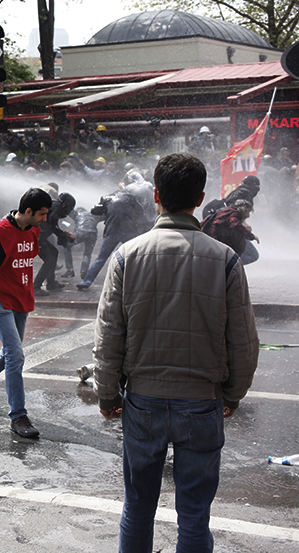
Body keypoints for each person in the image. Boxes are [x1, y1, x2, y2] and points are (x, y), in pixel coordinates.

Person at [92, 153, 259, 553]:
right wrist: (233, 394)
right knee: (195, 516)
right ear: (200, 198)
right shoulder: (226, 260)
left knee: (137, 508)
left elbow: (109, 336)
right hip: (202, 403)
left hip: (143, 401)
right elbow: (244, 342)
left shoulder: (126, 256)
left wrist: (108, 394)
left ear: (155, 195)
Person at [0, 187, 52, 438]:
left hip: (22, 298)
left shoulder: (33, 229)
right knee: (16, 356)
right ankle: (18, 417)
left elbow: (30, 255)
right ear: (28, 211)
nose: (44, 219)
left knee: (10, 353)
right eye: (42, 214)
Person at [33, 192, 76, 296]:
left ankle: (51, 283)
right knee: (49, 259)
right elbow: (52, 220)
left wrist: (62, 233)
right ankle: (35, 287)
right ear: (65, 204)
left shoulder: (53, 205)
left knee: (54, 252)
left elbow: (51, 225)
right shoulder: (57, 206)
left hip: (39, 236)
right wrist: (62, 234)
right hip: (37, 237)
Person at [200, 199, 260, 265]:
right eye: (248, 212)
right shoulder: (233, 214)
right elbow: (235, 225)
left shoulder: (227, 211)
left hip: (216, 242)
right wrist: (252, 236)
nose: (248, 215)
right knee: (252, 256)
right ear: (243, 210)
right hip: (217, 242)